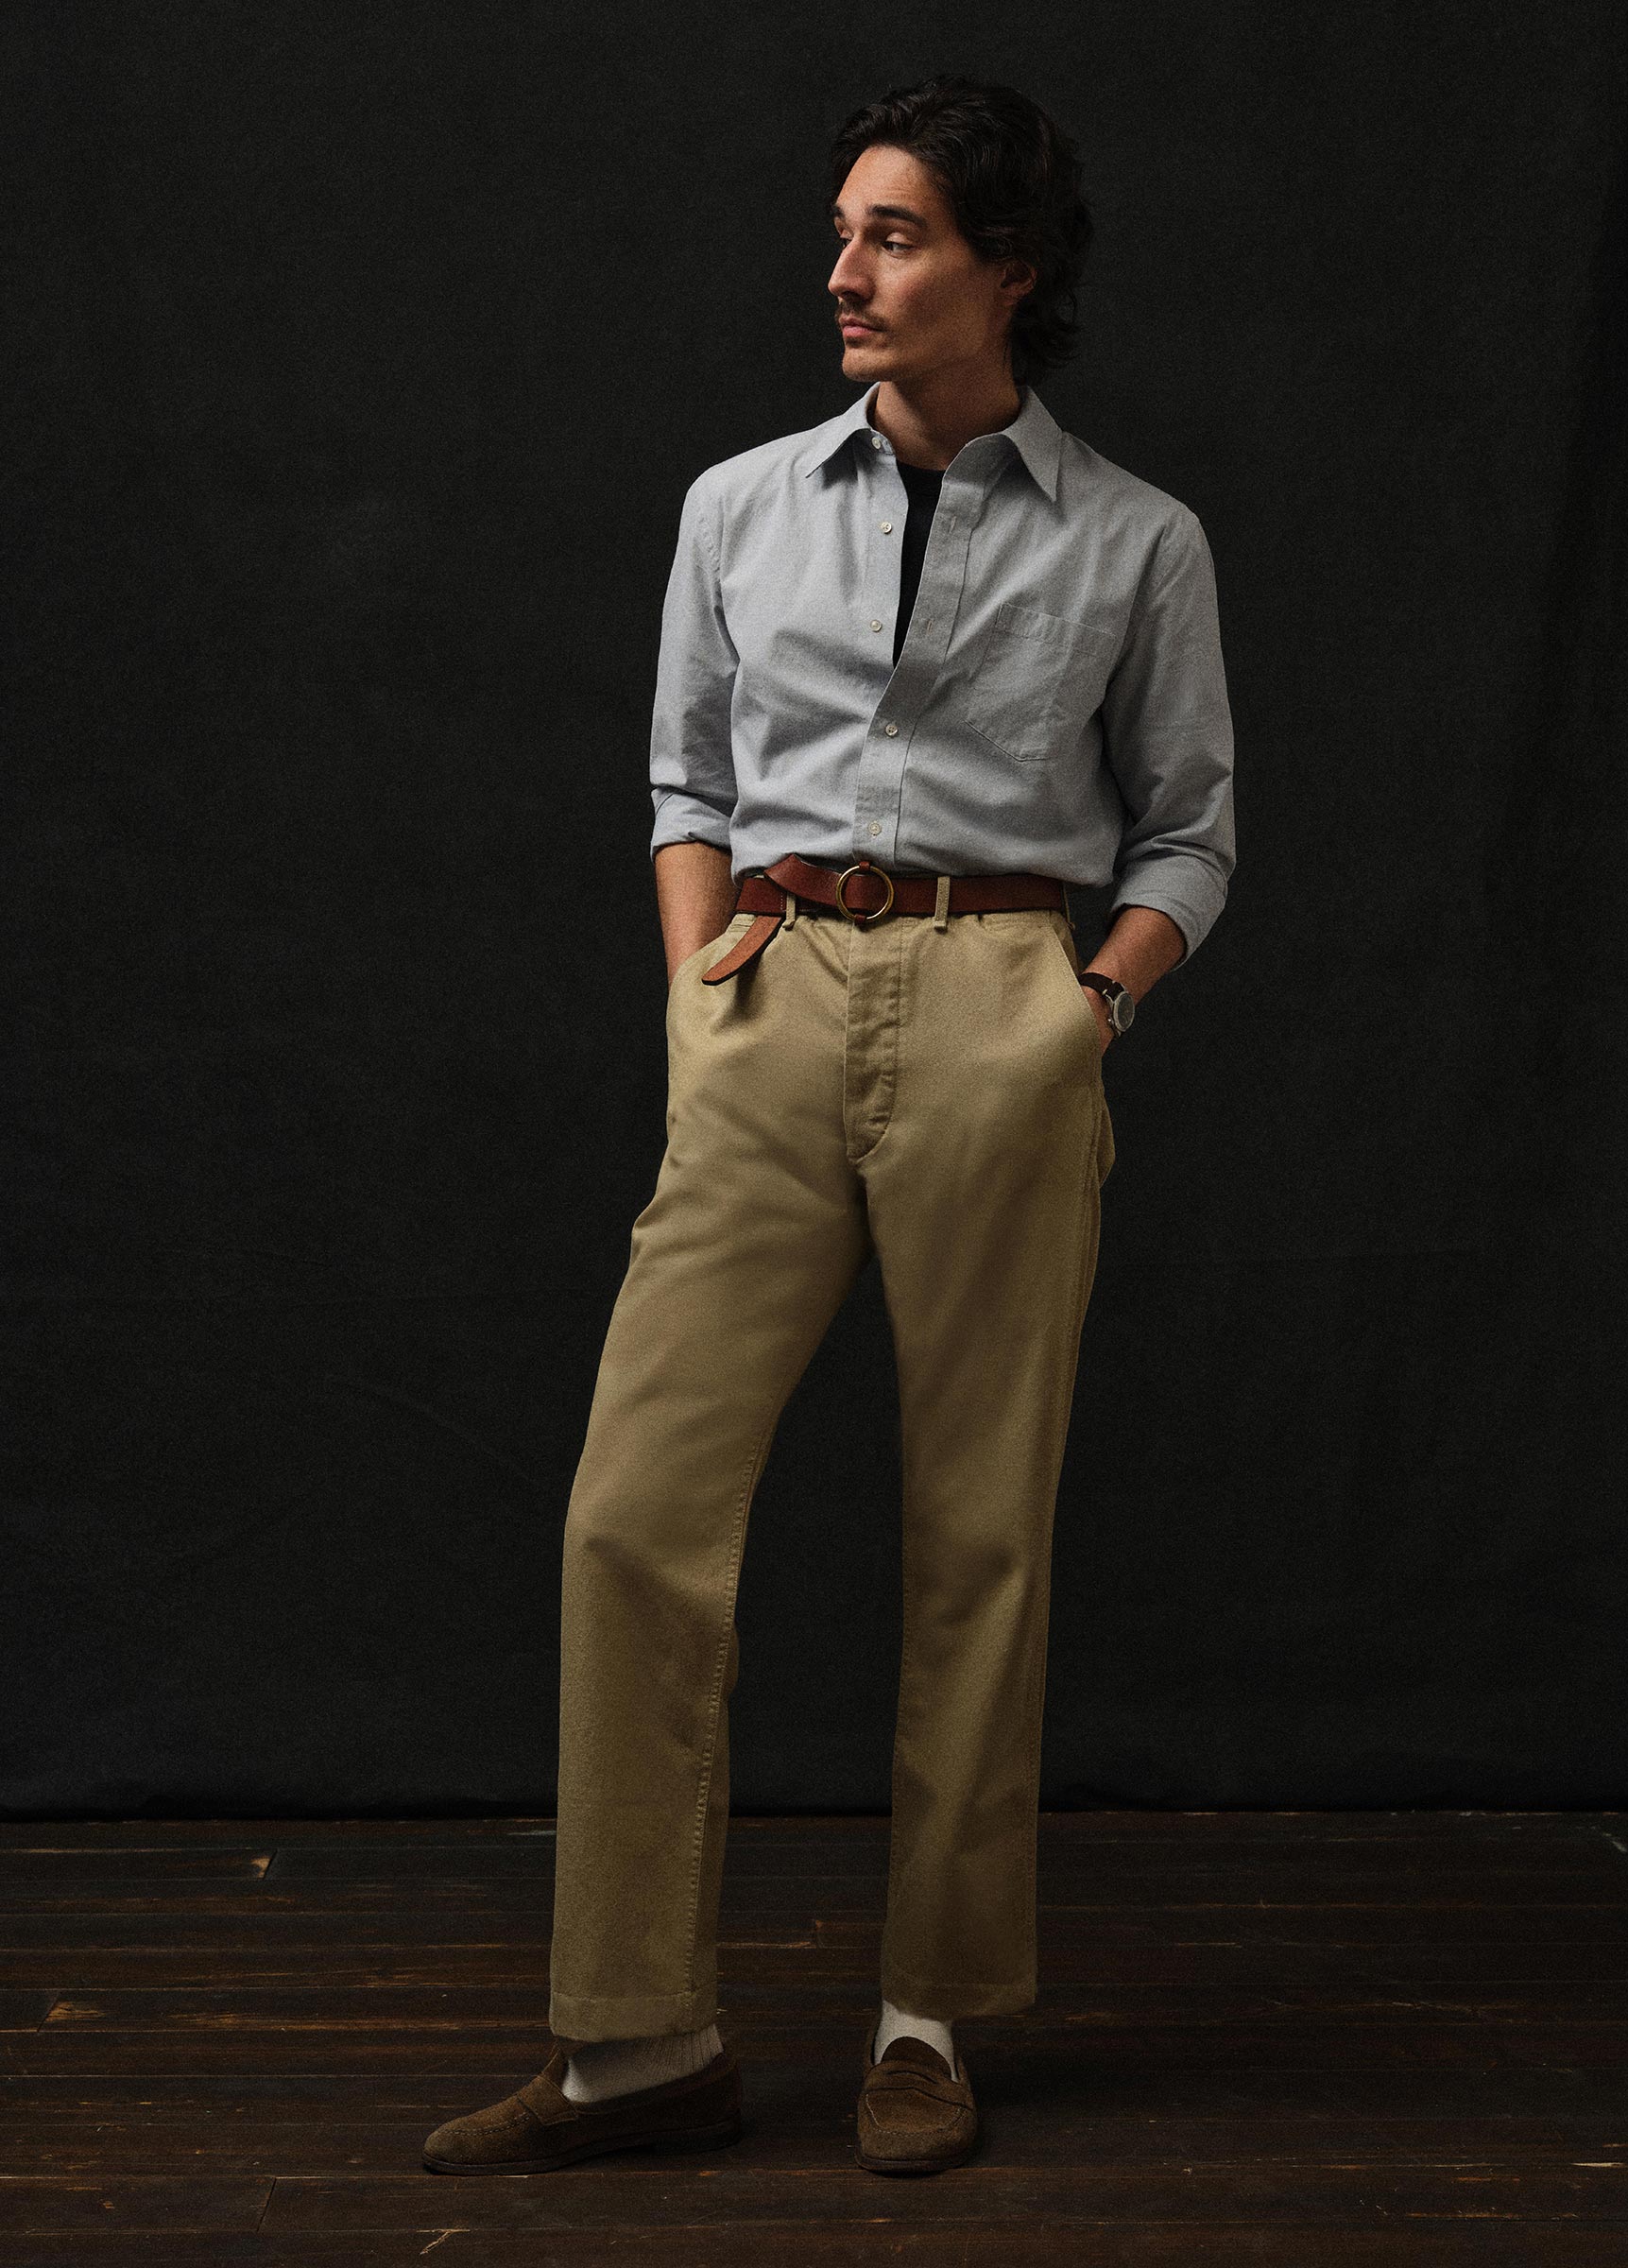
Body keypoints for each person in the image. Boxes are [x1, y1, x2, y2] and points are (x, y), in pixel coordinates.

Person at [424, 71, 1234, 2181]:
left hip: (1002, 1006)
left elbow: (1191, 831)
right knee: (633, 1514)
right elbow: (687, 779)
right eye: (846, 231)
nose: (845, 274)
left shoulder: (1138, 540)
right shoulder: (738, 505)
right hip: (769, 997)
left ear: (1007, 271)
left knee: (979, 1533)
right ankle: (635, 2044)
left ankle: (927, 2018)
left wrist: (1083, 1015)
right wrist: (701, 999)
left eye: (895, 235)